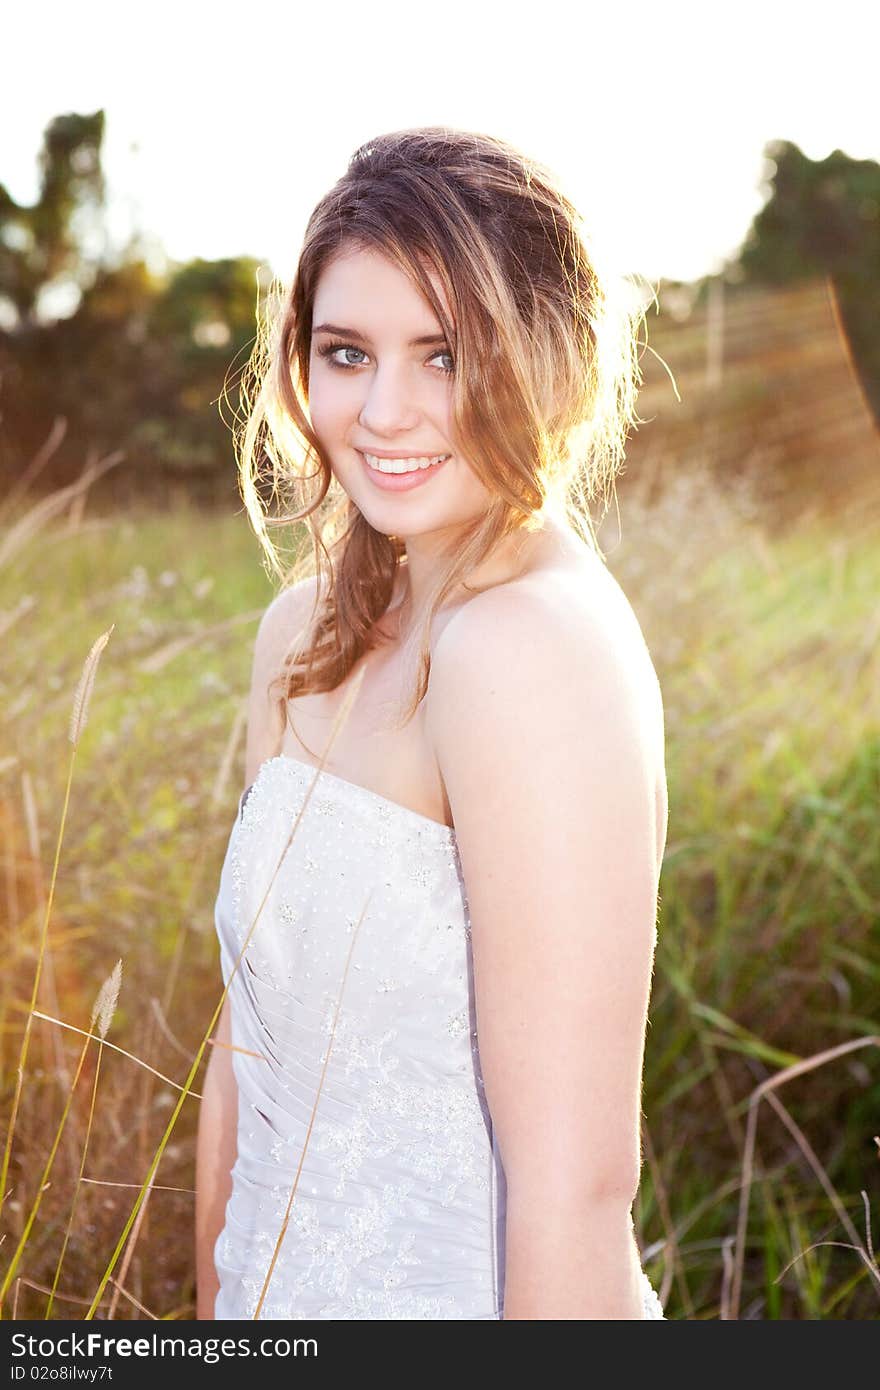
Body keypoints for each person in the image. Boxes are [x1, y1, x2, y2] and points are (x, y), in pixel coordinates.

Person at [195, 126, 668, 1320]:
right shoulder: (302, 637)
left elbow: (574, 1188)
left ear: (542, 361)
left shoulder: (529, 648)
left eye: (444, 355)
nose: (384, 413)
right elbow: (245, 1053)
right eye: (346, 353)